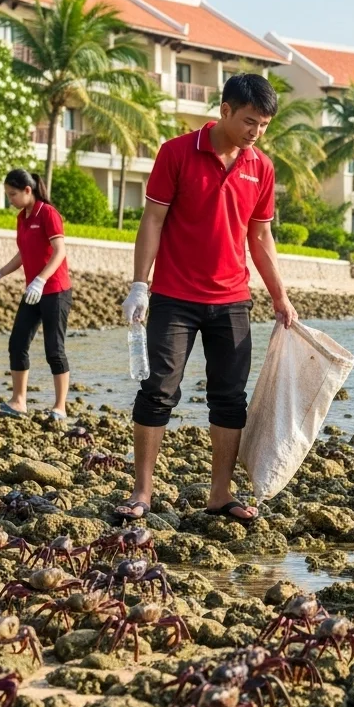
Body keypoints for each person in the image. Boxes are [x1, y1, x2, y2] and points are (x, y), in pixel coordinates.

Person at [121, 74, 296, 525]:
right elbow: (153, 220)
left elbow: (261, 237)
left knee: (229, 397)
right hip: (175, 297)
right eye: (249, 121)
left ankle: (220, 494)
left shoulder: (262, 166)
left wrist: (280, 295)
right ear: (225, 110)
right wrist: (140, 284)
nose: (255, 132)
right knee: (158, 391)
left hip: (233, 300)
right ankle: (142, 491)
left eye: (263, 125)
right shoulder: (176, 152)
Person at [0, 169, 72, 420]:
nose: (11, 200)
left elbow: (59, 251)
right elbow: (23, 254)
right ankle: (19, 401)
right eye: (8, 195)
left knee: (54, 348)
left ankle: (60, 407)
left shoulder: (48, 213)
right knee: (17, 342)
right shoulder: (22, 217)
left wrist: (41, 280)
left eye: (13, 194)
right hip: (33, 291)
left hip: (54, 291)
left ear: (28, 190)